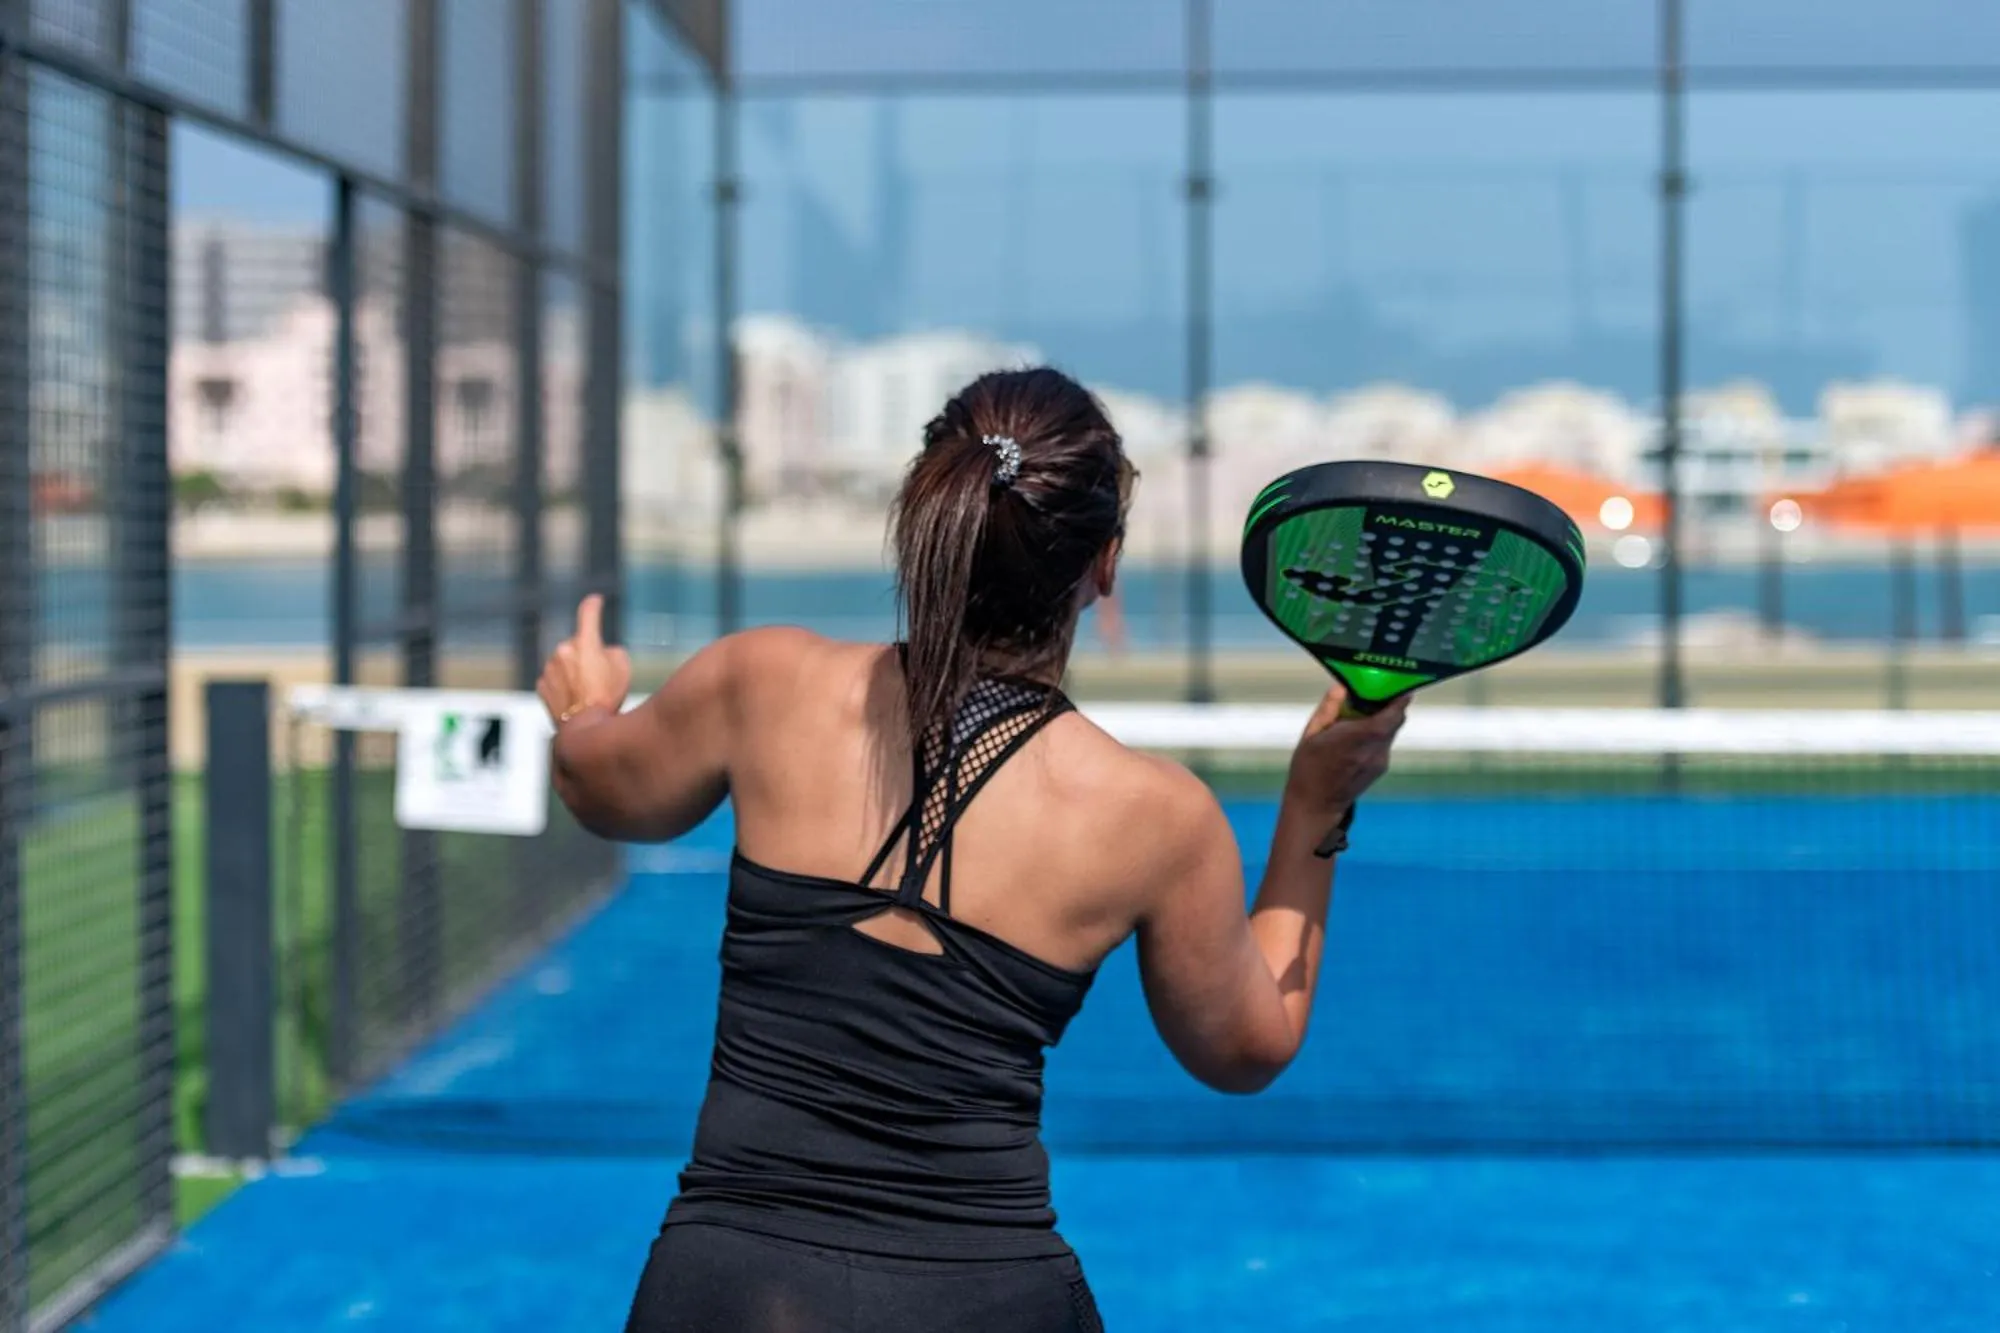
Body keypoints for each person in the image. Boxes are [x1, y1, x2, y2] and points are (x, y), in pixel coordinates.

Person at [537, 368, 1407, 1333]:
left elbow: (598, 785)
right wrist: (1316, 806)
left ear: (931, 516)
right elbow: (1248, 1046)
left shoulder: (763, 681)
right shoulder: (1154, 815)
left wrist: (585, 708)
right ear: (1102, 565)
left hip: (727, 1292)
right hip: (985, 1298)